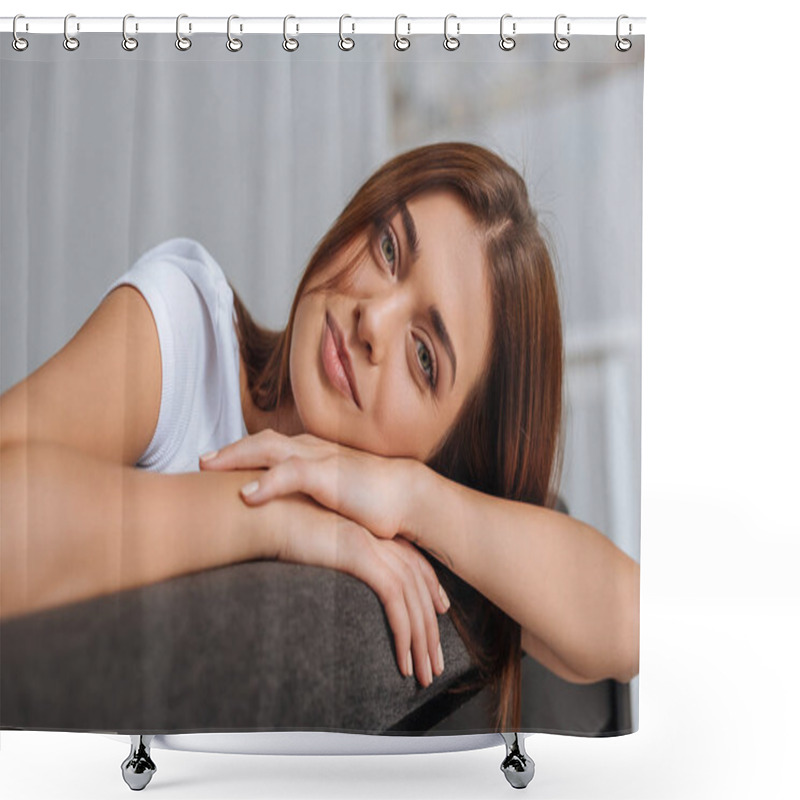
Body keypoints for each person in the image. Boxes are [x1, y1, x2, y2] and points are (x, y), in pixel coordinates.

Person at [0, 142, 639, 731]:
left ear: (449, 452)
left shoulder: (413, 518)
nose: (371, 318)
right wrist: (273, 512)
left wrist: (414, 496)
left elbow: (634, 623)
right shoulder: (185, 336)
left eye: (423, 358)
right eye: (389, 249)